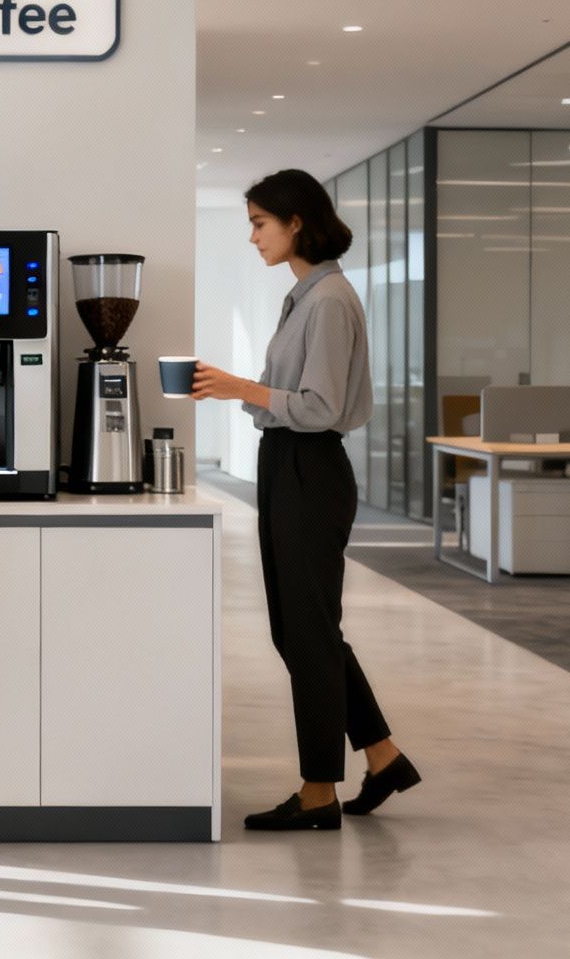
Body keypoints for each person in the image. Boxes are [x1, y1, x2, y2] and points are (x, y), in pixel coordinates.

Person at [191, 168, 419, 831]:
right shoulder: (307, 296)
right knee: (300, 631)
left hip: (309, 469)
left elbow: (319, 408)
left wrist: (241, 388)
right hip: (290, 465)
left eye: (261, 223)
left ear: (297, 223)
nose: (254, 236)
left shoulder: (328, 299)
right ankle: (383, 757)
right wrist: (246, 393)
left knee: (308, 635)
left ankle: (319, 792)